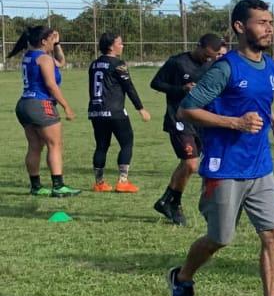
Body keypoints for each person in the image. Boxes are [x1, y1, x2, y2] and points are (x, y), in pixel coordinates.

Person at [166, 0, 274, 296]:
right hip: (225, 166)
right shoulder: (224, 68)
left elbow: (261, 101)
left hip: (260, 166)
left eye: (271, 22)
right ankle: (182, 277)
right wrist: (235, 124)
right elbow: (187, 109)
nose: (269, 28)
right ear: (240, 27)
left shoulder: (270, 66)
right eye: (261, 22)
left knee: (272, 234)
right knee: (220, 238)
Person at [151, 34, 225, 225]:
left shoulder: (213, 65)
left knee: (188, 165)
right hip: (179, 118)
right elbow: (156, 83)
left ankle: (167, 201)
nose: (209, 59)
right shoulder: (177, 62)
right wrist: (181, 89)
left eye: (214, 56)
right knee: (191, 163)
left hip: (200, 120)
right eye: (207, 55)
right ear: (199, 46)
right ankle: (172, 203)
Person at [9, 26, 79, 196]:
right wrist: (66, 106)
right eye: (51, 39)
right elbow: (51, 85)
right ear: (43, 41)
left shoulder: (29, 56)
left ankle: (36, 186)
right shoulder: (44, 59)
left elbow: (61, 62)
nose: (52, 41)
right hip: (41, 104)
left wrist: (57, 44)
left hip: (24, 104)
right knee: (55, 144)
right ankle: (58, 185)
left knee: (34, 146)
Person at [88, 32, 152, 192]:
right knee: (127, 143)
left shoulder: (94, 64)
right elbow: (128, 87)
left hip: (96, 110)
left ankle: (99, 183)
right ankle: (123, 181)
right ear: (111, 46)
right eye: (120, 43)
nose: (122, 46)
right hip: (114, 111)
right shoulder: (118, 64)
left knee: (101, 146)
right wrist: (140, 108)